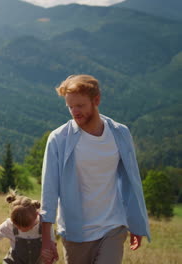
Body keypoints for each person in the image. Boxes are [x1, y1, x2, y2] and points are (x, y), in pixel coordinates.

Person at [40, 74, 151, 264]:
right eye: (70, 106)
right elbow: (49, 190)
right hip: (76, 232)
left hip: (113, 227)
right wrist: (46, 240)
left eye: (80, 105)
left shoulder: (120, 134)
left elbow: (133, 180)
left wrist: (136, 223)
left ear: (96, 100)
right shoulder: (59, 139)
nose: (75, 111)